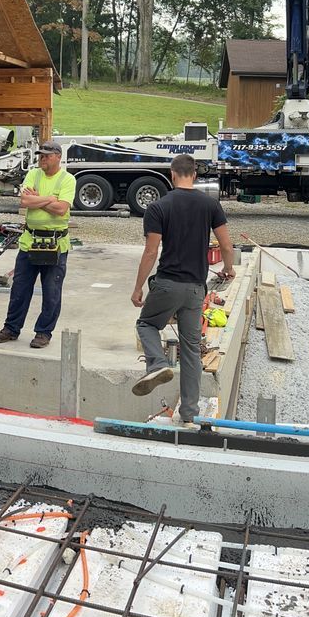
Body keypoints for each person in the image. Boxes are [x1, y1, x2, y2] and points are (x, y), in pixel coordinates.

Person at [130, 154, 235, 424]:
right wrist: (229, 268)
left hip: (167, 284)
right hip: (195, 289)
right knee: (191, 350)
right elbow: (226, 245)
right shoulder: (210, 205)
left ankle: (158, 364)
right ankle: (189, 414)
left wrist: (138, 287)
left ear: (172, 174)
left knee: (146, 324)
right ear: (195, 176)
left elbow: (151, 251)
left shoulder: (158, 207)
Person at [0, 141, 75, 348]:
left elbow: (61, 209)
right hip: (29, 242)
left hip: (56, 244)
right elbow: (25, 202)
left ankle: (43, 333)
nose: (42, 158)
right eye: (41, 155)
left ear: (58, 157)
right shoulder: (33, 174)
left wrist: (39, 200)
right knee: (20, 289)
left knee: (51, 292)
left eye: (47, 155)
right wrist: (50, 199)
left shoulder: (67, 179)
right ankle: (11, 328)